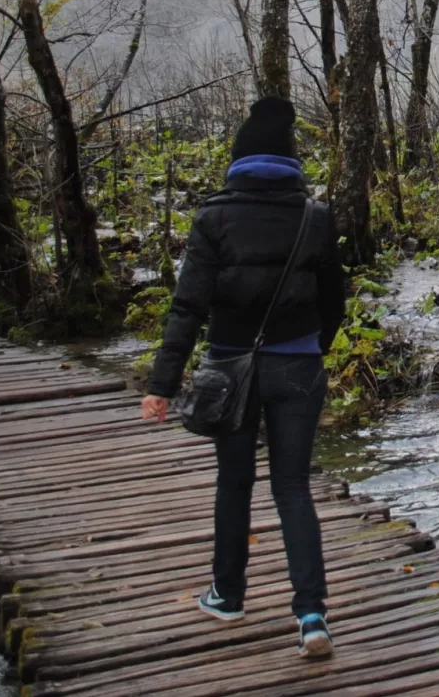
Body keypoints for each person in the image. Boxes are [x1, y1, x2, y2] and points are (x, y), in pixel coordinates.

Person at [140, 95, 347, 659]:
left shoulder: (213, 218)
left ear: (237, 160)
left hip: (229, 370)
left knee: (234, 484)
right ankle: (311, 615)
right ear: (290, 161)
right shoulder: (316, 217)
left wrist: (162, 384)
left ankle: (227, 595)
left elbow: (187, 307)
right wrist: (310, 349)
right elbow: (336, 303)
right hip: (300, 368)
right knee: (294, 487)